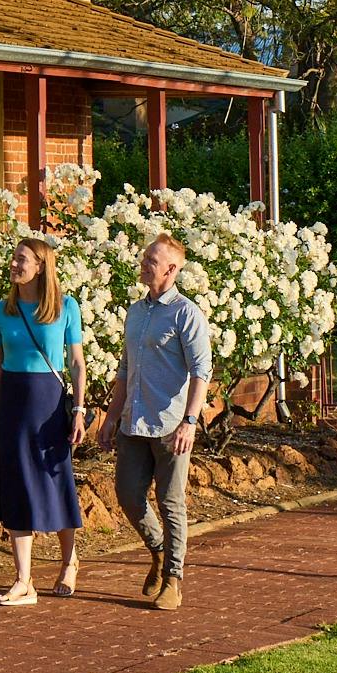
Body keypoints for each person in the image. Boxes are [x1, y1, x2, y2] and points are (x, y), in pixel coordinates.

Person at [96, 232, 211, 611]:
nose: (144, 264)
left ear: (171, 269)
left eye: (151, 260)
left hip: (170, 425)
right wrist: (111, 417)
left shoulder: (186, 314)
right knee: (128, 494)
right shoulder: (136, 311)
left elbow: (201, 372)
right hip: (133, 421)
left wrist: (190, 422)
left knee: (170, 501)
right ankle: (158, 551)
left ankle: (174, 580)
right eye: (145, 257)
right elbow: (126, 368)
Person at [0, 236, 86, 605]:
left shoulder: (66, 307)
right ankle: (24, 580)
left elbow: (75, 362)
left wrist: (79, 410)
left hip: (49, 403)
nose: (13, 264)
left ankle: (68, 560)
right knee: (16, 486)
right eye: (12, 259)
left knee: (55, 484)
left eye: (21, 259)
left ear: (40, 265)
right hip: (12, 402)